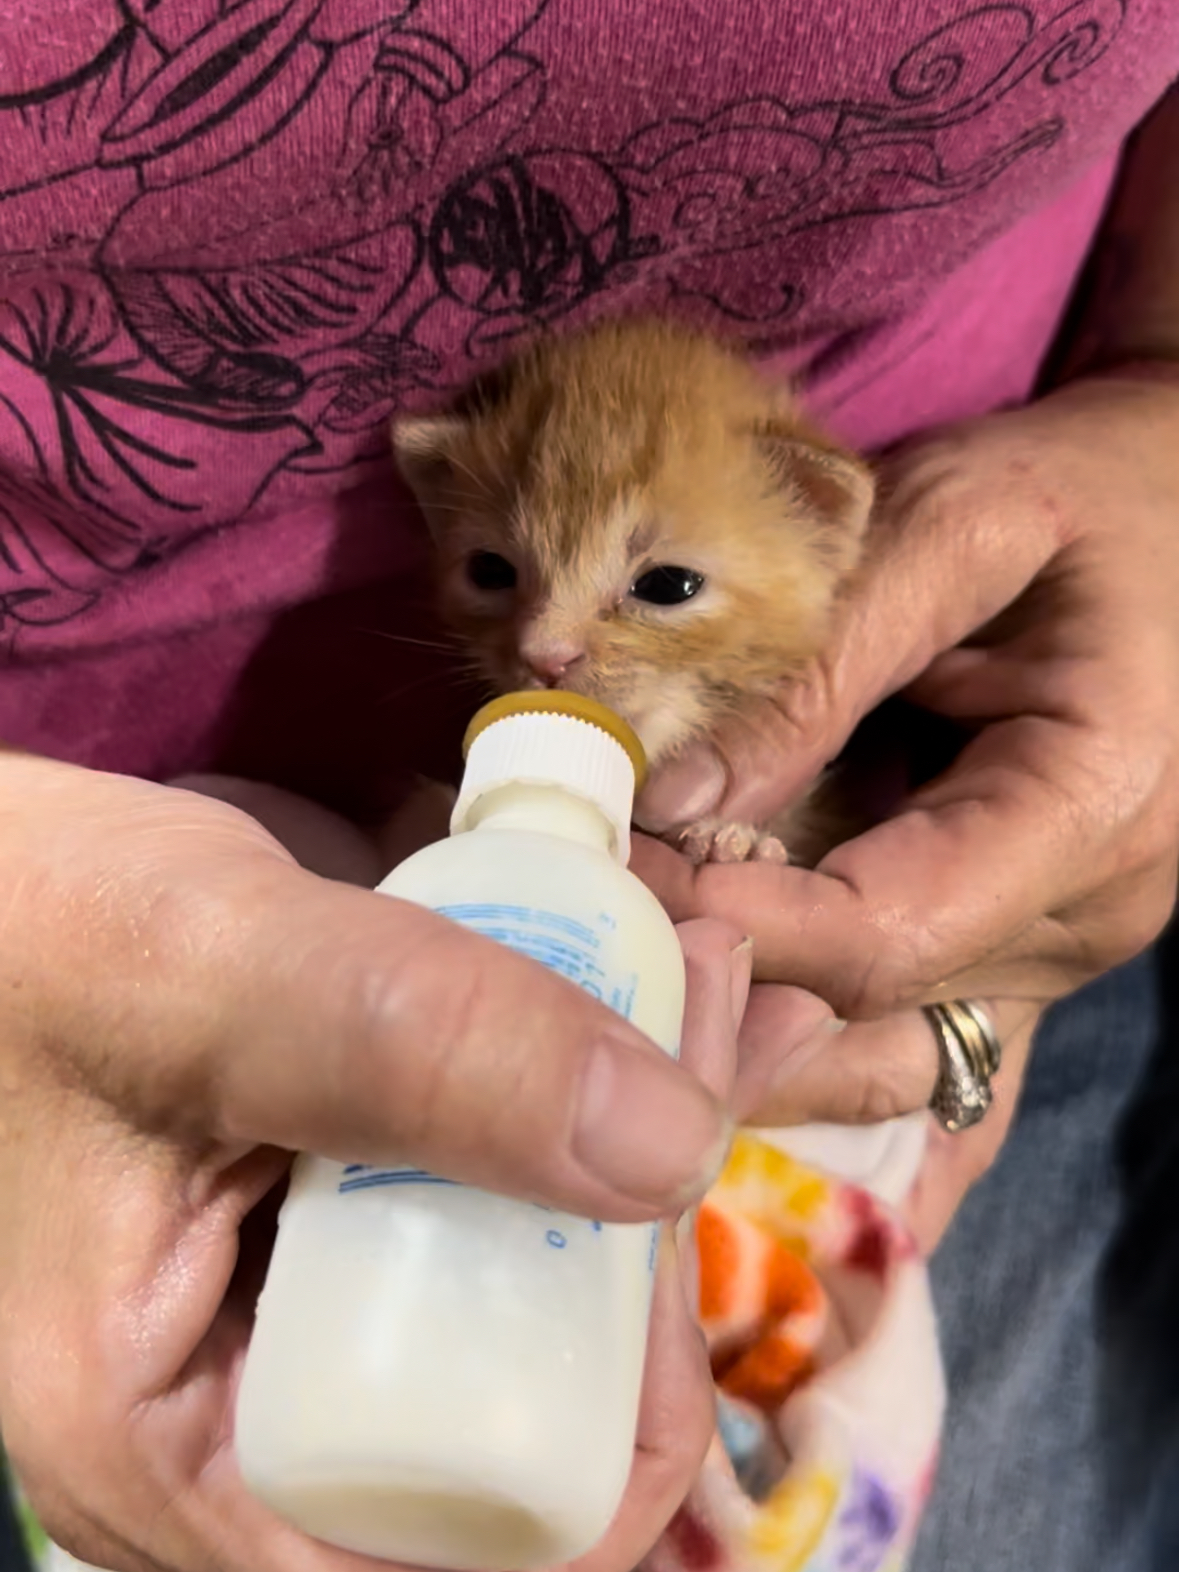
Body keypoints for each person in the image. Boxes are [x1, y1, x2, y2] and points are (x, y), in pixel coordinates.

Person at [1, 4, 1179, 1570]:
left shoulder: (824, 593)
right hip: (100, 993)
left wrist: (1166, 399)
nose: (548, 643)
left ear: (830, 528)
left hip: (1001, 923)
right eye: (495, 571)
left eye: (662, 585)